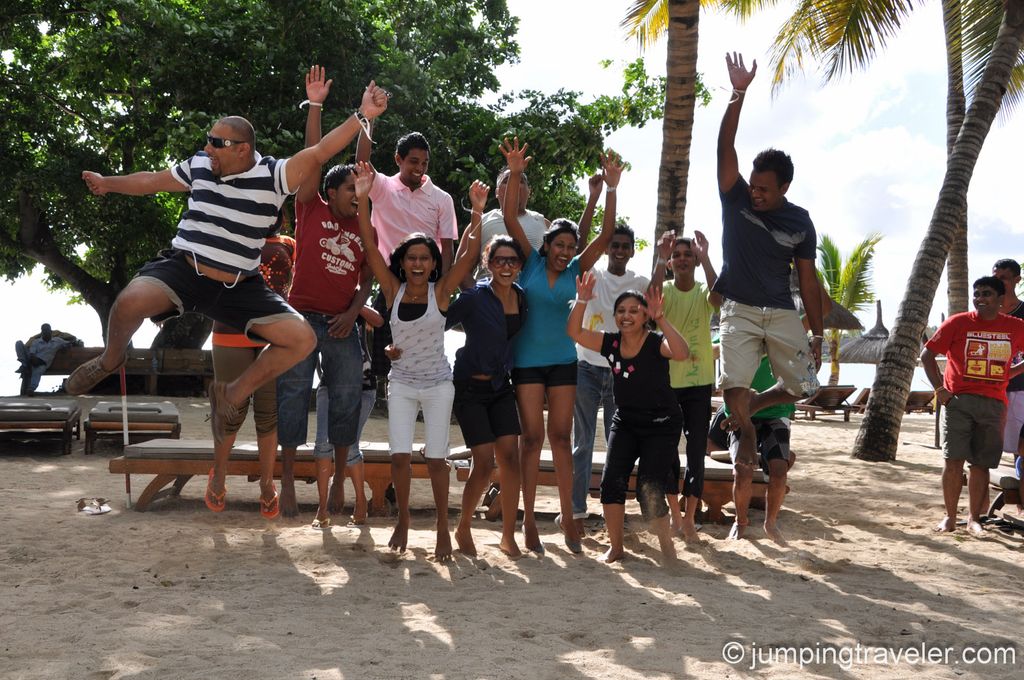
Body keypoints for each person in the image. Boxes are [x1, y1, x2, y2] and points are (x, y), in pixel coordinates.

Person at [72, 80, 390, 456]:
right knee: (127, 303)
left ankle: (233, 393)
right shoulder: (200, 166)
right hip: (186, 268)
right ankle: (111, 358)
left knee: (301, 339)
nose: (208, 148)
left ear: (242, 149)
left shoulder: (274, 175)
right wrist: (108, 183)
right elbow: (151, 182)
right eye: (208, 140)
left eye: (216, 143)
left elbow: (320, 152)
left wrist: (363, 115)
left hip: (240, 284)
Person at [356, 161, 488, 560]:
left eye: (424, 258)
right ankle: (403, 521)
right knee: (398, 456)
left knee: (436, 460)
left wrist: (477, 212)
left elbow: (466, 256)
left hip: (436, 386)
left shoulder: (442, 293)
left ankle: (443, 530)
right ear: (402, 261)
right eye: (411, 257)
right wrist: (363, 198)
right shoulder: (392, 289)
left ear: (432, 263)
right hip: (401, 383)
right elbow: (368, 239)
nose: (417, 263)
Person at [500, 137, 619, 555]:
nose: (565, 252)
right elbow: (512, 217)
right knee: (530, 441)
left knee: (562, 438)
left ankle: (570, 519)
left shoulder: (577, 269)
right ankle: (529, 521)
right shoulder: (530, 260)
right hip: (528, 363)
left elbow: (605, 234)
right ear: (547, 245)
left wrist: (612, 188)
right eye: (560, 246)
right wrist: (515, 174)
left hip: (564, 363)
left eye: (571, 248)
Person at [714, 52, 823, 479]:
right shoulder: (735, 197)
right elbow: (725, 147)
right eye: (753, 186)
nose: (755, 194)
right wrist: (738, 94)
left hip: (780, 309)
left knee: (806, 387)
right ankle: (746, 440)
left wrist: (817, 331)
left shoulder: (800, 222)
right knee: (732, 389)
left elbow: (808, 282)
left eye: (763, 189)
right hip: (738, 307)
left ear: (784, 188)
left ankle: (758, 406)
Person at [276, 66, 375, 528]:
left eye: (360, 191)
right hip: (299, 320)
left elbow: (369, 277)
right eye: (351, 190)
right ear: (331, 192)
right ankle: (290, 480)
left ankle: (337, 479)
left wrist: (354, 313)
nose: (357, 195)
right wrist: (315, 105)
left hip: (340, 323)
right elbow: (314, 157)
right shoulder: (310, 206)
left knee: (345, 397)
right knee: (293, 394)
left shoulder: (362, 224)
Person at [568, 271, 690, 564]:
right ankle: (616, 547)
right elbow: (575, 333)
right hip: (625, 423)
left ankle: (667, 547)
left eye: (634, 310)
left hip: (662, 424)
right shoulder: (610, 344)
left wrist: (661, 319)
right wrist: (582, 300)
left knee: (649, 488)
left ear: (645, 315)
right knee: (610, 484)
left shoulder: (655, 342)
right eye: (621, 311)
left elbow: (682, 353)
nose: (626, 316)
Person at [570, 224, 657, 537]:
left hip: (621, 371)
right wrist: (598, 195)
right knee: (581, 444)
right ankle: (576, 514)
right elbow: (580, 244)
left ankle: (613, 520)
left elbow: (655, 304)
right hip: (586, 367)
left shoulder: (639, 282)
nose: (619, 251)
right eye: (614, 245)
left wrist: (662, 261)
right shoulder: (593, 275)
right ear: (606, 248)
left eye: (625, 246)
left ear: (633, 250)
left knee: (616, 447)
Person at [922, 276, 1024, 536]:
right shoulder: (958, 322)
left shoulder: (1016, 326)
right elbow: (927, 355)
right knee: (953, 461)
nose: (979, 298)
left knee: (981, 464)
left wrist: (1010, 373)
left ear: (1001, 299)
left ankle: (973, 519)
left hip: (994, 404)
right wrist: (940, 390)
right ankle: (950, 518)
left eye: (986, 294)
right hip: (958, 402)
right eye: (976, 294)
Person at [206, 219, 295, 517]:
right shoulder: (224, 232)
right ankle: (218, 475)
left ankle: (268, 484)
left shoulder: (289, 244)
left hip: (274, 333)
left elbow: (291, 288)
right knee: (231, 408)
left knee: (269, 412)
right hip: (230, 328)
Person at [446, 235, 528, 557]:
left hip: (500, 386)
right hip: (469, 388)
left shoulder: (521, 298)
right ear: (488, 263)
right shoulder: (473, 297)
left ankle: (508, 536)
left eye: (512, 261)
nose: (506, 266)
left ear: (519, 266)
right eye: (499, 260)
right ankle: (463, 525)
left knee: (511, 458)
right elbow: (439, 322)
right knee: (483, 464)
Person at [660, 231, 722, 541]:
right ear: (671, 262)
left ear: (694, 261)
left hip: (699, 382)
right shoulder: (666, 291)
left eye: (688, 254)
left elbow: (719, 298)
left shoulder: (702, 291)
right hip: (668, 381)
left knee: (696, 451)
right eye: (677, 255)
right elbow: (649, 300)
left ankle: (690, 517)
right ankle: (673, 515)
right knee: (669, 450)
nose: (682, 258)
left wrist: (707, 255)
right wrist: (660, 257)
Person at [708, 356, 796, 543]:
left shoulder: (782, 335)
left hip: (776, 413)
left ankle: (770, 523)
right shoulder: (737, 331)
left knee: (779, 471)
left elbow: (802, 377)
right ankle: (740, 522)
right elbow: (711, 351)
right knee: (742, 469)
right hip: (741, 412)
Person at [313, 305, 384, 526]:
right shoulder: (321, 309)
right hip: (329, 385)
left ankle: (360, 503)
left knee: (350, 443)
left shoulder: (358, 311)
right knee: (323, 443)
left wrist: (355, 303)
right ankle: (322, 508)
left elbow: (379, 321)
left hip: (363, 387)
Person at [992, 260, 1024, 466]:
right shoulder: (986, 313)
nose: (998, 282)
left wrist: (1012, 372)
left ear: (1017, 280)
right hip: (990, 390)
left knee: (1020, 450)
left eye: (1003, 278)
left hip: (1020, 388)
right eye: (995, 277)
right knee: (985, 449)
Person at [15, 324, 81, 395]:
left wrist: (68, 346)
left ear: (51, 331)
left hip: (42, 363)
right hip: (32, 360)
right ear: (42, 332)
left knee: (38, 371)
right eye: (44, 331)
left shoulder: (57, 341)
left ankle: (31, 389)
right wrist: (33, 359)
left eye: (48, 330)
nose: (47, 332)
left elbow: (69, 342)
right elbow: (32, 353)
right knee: (18, 343)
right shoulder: (36, 342)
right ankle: (25, 365)